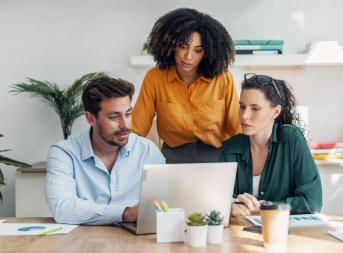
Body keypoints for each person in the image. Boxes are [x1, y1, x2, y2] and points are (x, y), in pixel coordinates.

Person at [45, 76, 165, 225]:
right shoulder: (63, 153)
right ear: (91, 119)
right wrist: (125, 214)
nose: (125, 125)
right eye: (114, 117)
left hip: (136, 241)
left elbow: (167, 202)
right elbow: (63, 209)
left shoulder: (147, 150)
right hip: (82, 242)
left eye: (128, 114)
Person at [132, 8, 241, 163]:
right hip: (173, 157)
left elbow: (237, 129)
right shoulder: (154, 78)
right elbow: (137, 129)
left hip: (218, 156)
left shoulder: (223, 79)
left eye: (198, 50)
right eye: (183, 46)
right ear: (171, 44)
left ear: (208, 52)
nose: (188, 56)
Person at [220, 73, 322, 215]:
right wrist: (228, 207)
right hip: (239, 231)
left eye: (255, 109)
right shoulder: (228, 148)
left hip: (284, 231)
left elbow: (313, 202)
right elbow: (214, 202)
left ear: (275, 112)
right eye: (242, 107)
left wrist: (267, 207)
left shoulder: (292, 139)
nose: (244, 115)